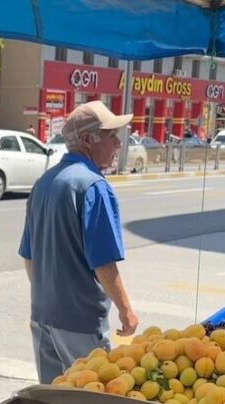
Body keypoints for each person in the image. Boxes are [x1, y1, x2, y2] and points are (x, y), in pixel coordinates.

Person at [19, 100, 139, 383]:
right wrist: (126, 311)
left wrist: (51, 297)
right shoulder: (93, 186)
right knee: (88, 403)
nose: (118, 144)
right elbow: (104, 265)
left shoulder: (45, 183)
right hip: (80, 322)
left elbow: (29, 256)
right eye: (112, 136)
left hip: (43, 314)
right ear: (88, 140)